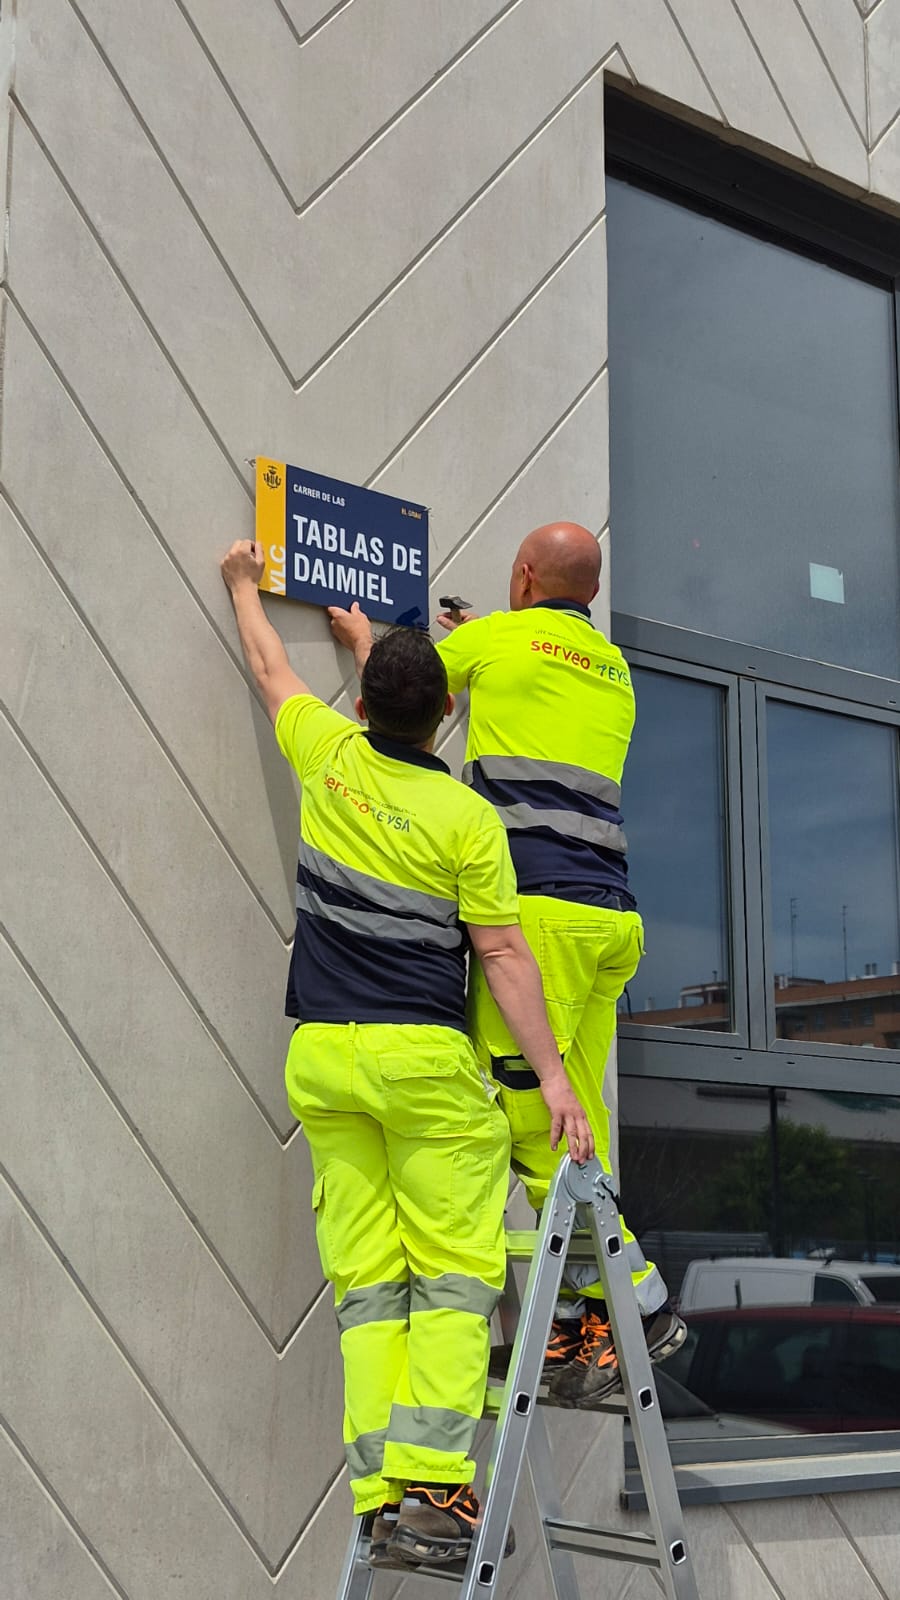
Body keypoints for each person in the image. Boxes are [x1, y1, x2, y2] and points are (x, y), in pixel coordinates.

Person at [220, 540, 593, 1570]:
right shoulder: (467, 818)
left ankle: (384, 1492)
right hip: (422, 1068)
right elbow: (505, 952)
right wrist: (555, 1078)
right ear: (444, 719)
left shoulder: (328, 756)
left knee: (370, 1287)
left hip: (325, 1065)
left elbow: (269, 670)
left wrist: (245, 586)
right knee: (456, 1277)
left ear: (366, 703)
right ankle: (435, 1487)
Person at [329, 523, 684, 1412]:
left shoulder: (491, 641)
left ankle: (636, 1304)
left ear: (525, 576)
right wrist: (490, 637)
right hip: (610, 922)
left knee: (534, 1115)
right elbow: (538, 678)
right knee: (582, 1121)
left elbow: (410, 702)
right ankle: (580, 1322)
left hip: (543, 920)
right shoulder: (612, 667)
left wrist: (365, 642)